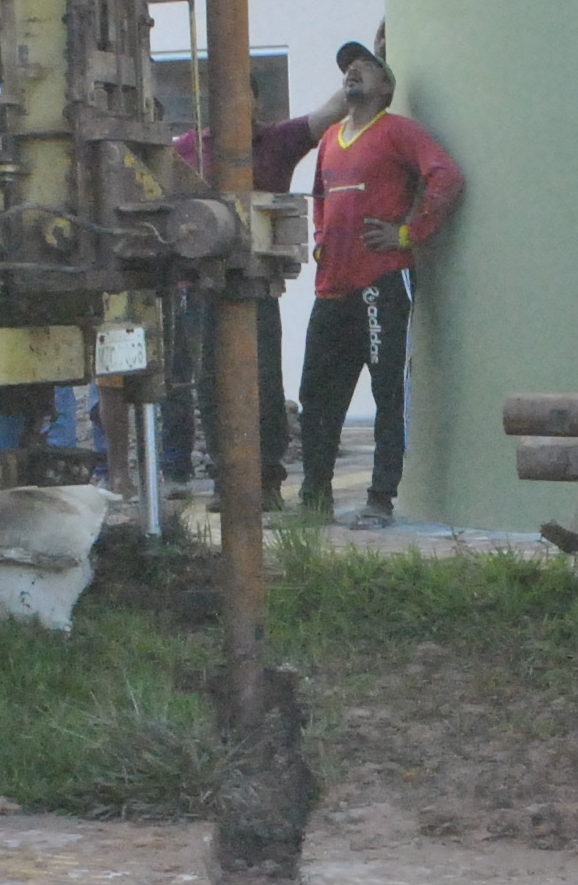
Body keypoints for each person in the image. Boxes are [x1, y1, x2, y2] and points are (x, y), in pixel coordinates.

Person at [298, 39, 465, 528]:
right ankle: (314, 499)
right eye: (347, 68)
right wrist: (321, 241)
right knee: (317, 394)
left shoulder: (399, 132)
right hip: (332, 288)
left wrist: (411, 233)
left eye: (364, 67)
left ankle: (380, 498)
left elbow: (447, 178)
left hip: (381, 284)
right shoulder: (330, 139)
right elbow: (319, 198)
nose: (352, 72)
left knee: (387, 390)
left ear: (386, 86)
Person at [168, 84, 346, 502]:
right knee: (210, 385)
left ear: (256, 103)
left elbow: (330, 111)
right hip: (200, 286)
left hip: (255, 283)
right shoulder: (188, 147)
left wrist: (367, 70)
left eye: (239, 97)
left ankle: (265, 479)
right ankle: (225, 480)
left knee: (263, 380)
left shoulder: (277, 140)